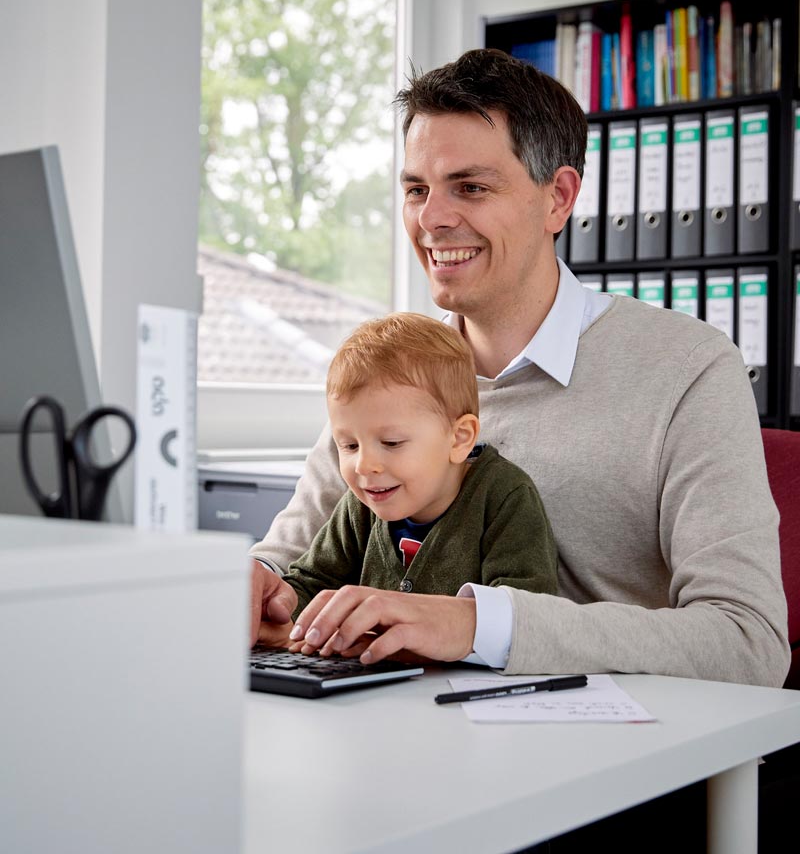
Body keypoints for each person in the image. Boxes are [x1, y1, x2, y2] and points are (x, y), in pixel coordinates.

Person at [250, 48, 789, 692]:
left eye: (470, 187)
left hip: (609, 756)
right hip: (396, 729)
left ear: (557, 198)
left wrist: (475, 625)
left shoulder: (688, 368)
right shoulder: (394, 375)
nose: (432, 218)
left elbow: (748, 642)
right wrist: (255, 589)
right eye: (417, 189)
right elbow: (285, 565)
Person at [256, 311, 558, 652]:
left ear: (459, 438)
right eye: (349, 445)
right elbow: (313, 582)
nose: (365, 466)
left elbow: (526, 615)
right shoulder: (360, 505)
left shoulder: (504, 497)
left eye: (392, 443)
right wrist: (277, 618)